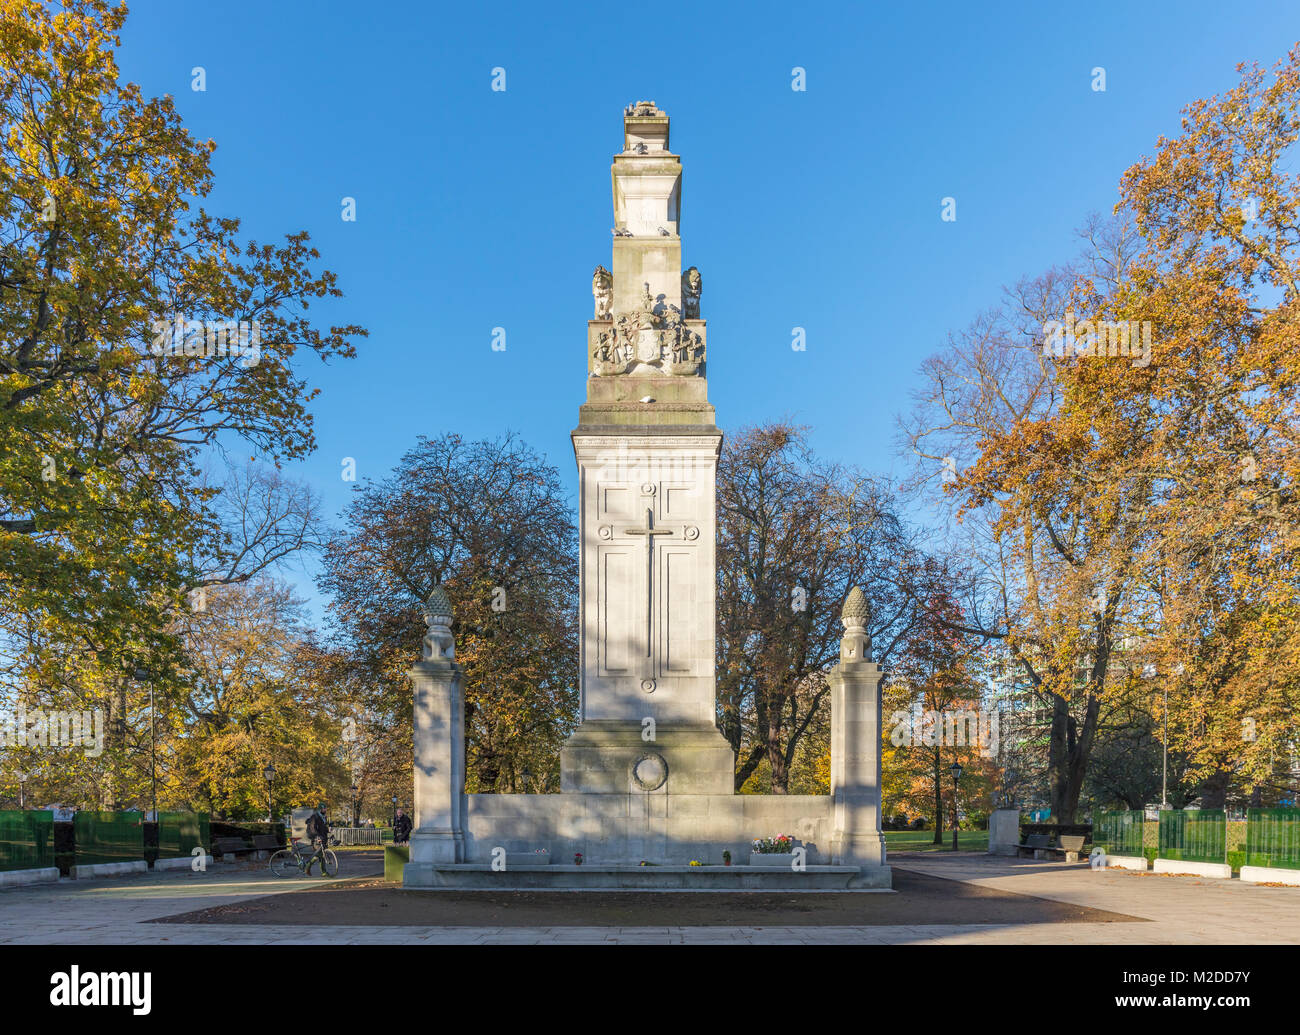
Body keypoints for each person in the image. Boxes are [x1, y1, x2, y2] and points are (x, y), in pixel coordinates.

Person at [305, 804, 330, 875]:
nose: (325, 810)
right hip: (316, 838)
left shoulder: (323, 817)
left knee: (322, 855)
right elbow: (313, 828)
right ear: (320, 809)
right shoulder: (315, 816)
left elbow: (323, 827)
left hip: (323, 838)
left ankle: (323, 872)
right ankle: (308, 867)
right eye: (324, 808)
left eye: (325, 808)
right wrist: (317, 837)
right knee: (319, 855)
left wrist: (328, 831)